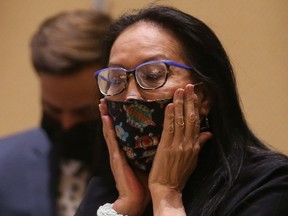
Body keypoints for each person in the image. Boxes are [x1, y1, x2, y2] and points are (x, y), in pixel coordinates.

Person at [75, 5, 288, 216]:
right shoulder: (106, 187)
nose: (130, 96)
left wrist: (166, 196)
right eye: (116, 79)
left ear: (203, 97)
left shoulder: (268, 184)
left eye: (152, 75)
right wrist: (126, 206)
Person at [0, 9, 117, 216]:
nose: (66, 124)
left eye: (83, 112)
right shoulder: (4, 161)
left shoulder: (153, 173)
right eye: (53, 110)